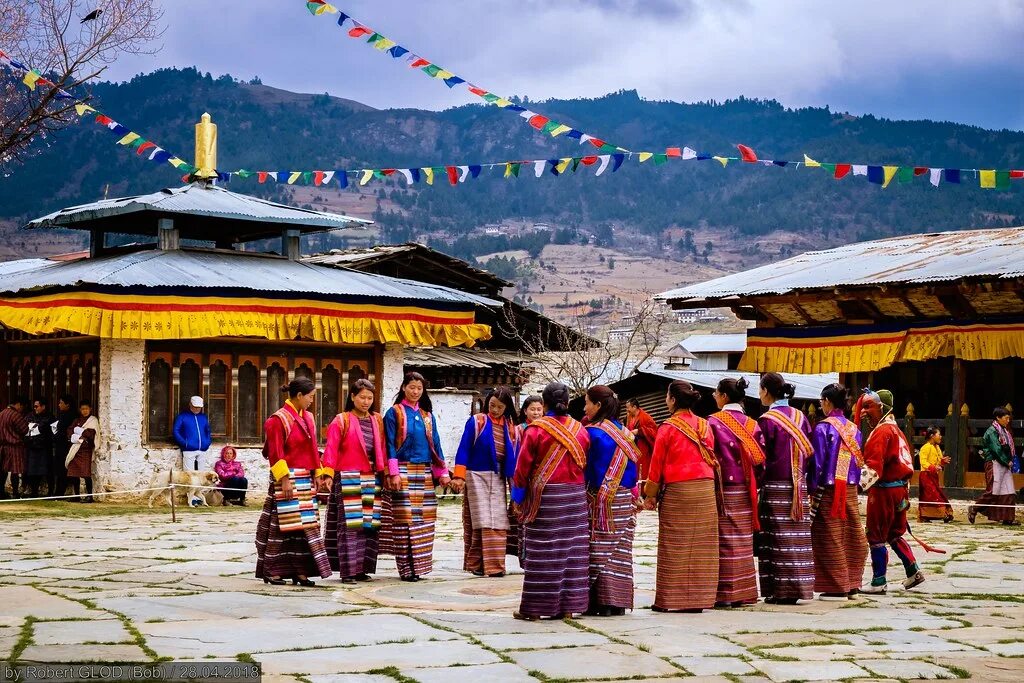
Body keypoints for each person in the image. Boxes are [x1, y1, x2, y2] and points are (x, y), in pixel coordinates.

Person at [511, 381, 590, 620]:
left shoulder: (535, 430)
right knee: (571, 550)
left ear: (544, 404)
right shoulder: (580, 430)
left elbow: (522, 468)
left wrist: (517, 498)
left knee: (543, 551)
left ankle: (535, 609)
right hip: (574, 497)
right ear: (567, 403)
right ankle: (567, 607)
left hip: (547, 498)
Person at [643, 380, 719, 613]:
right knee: (702, 546)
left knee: (674, 544)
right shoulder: (705, 426)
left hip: (679, 491)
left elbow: (656, 465)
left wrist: (650, 495)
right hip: (705, 490)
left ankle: (671, 600)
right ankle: (700, 600)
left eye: (667, 396)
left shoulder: (667, 427)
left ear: (673, 400)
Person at [255, 378, 332, 587]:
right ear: (299, 396)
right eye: (310, 396)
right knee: (281, 527)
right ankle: (272, 570)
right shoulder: (277, 420)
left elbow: (312, 448)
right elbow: (275, 452)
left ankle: (300, 571)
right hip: (286, 479)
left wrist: (318, 473)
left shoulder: (308, 418)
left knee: (305, 527)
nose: (311, 401)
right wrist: (285, 480)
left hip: (305, 480)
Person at [380, 372, 451, 582]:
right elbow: (389, 444)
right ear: (403, 388)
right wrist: (392, 472)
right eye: (411, 387)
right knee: (404, 521)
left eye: (419, 388)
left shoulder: (427, 416)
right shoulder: (394, 413)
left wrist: (443, 473)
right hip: (402, 470)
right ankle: (405, 569)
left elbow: (436, 444)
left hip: (425, 471)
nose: (415, 391)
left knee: (424, 521)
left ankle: (419, 567)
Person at [858, 388, 925, 594]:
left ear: (882, 408)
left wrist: (853, 483)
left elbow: (874, 468)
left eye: (868, 407)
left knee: (876, 534)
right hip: (900, 490)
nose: (863, 412)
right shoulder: (896, 430)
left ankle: (879, 580)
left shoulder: (882, 432)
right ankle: (913, 570)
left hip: (884, 492)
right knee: (895, 533)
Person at [756, 373, 815, 604]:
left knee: (777, 538)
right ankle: (801, 588)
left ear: (767, 391)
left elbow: (762, 457)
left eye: (760, 390)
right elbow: (809, 453)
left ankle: (780, 591)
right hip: (799, 487)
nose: (759, 394)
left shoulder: (767, 420)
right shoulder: (801, 417)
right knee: (797, 538)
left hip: (776, 486)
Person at [320, 379, 386, 583]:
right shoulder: (341, 420)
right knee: (350, 525)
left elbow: (382, 446)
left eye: (370, 398)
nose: (366, 402)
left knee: (369, 525)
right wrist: (328, 474)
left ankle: (362, 569)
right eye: (362, 397)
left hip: (372, 476)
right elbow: (331, 448)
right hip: (348, 476)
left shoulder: (377, 420)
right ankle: (348, 571)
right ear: (353, 397)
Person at [708, 377, 764, 608]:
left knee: (724, 540)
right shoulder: (753, 424)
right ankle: (744, 591)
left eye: (716, 393)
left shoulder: (713, 422)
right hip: (747, 489)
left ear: (724, 397)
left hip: (723, 489)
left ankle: (725, 593)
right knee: (743, 540)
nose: (713, 396)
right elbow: (760, 461)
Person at [583, 385, 640, 616]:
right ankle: (618, 602)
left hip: (600, 498)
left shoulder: (592, 433)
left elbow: (586, 469)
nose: (585, 407)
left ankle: (600, 601)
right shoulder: (626, 433)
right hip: (625, 497)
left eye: (587, 402)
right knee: (620, 551)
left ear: (598, 406)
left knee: (598, 548)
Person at [809, 383, 868, 600]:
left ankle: (836, 586)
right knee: (852, 535)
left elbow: (817, 462)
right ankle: (852, 583)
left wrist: (812, 487)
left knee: (829, 536)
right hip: (850, 489)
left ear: (826, 401)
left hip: (829, 490)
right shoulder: (854, 429)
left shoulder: (823, 428)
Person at [453, 386, 518, 578]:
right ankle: (479, 564)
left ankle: (496, 565)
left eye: (499, 407)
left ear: (507, 407)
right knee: (481, 520)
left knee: (499, 520)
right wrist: (459, 475)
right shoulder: (477, 422)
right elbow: (464, 448)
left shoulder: (511, 427)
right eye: (492, 405)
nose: (495, 410)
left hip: (498, 477)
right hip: (475, 475)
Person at [969, 407, 1018, 526]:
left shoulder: (1004, 431)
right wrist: (1007, 461)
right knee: (993, 490)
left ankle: (1007, 517)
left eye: (1008, 418)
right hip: (995, 462)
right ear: (998, 418)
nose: (1008, 421)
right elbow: (997, 449)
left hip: (1004, 463)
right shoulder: (992, 431)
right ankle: (975, 508)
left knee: (1009, 491)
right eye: (1006, 418)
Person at [917, 427, 954, 523]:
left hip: (933, 476)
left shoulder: (937, 448)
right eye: (939, 434)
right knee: (933, 495)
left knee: (934, 494)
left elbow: (939, 462)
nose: (940, 437)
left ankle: (929, 515)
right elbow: (923, 462)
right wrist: (933, 467)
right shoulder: (925, 448)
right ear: (932, 436)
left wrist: (942, 461)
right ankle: (942, 514)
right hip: (926, 475)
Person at [66, 400, 99, 503]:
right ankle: (76, 495)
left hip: (85, 449)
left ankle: (90, 496)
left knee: (85, 474)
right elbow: (69, 431)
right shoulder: (77, 420)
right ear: (80, 410)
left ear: (90, 409)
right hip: (76, 448)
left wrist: (78, 430)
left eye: (86, 409)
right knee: (74, 474)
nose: (84, 411)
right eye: (82, 409)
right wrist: (79, 434)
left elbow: (91, 434)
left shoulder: (93, 421)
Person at [25, 398, 55, 498]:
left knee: (47, 470)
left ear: (43, 407)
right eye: (34, 406)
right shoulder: (30, 415)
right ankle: (34, 492)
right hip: (32, 446)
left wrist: (35, 428)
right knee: (33, 471)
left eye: (37, 406)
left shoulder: (50, 417)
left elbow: (44, 428)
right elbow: (26, 427)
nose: (35, 408)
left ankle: (50, 492)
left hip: (44, 447)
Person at [173, 396, 213, 471]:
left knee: (202, 475)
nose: (197, 409)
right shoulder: (182, 416)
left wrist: (207, 442)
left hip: (203, 449)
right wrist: (185, 443)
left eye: (199, 407)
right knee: (188, 475)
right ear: (190, 404)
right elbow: (176, 430)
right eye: (195, 406)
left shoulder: (203, 417)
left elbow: (208, 430)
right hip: (188, 449)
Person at [0, 397, 28, 499]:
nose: (22, 409)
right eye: (22, 407)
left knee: (3, 470)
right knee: (15, 471)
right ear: (18, 404)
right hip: (15, 446)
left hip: (3, 446)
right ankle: (15, 492)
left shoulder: (2, 413)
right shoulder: (15, 415)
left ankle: (1, 491)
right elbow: (24, 429)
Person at [50, 395, 77, 497]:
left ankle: (59, 492)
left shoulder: (68, 416)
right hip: (61, 445)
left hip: (64, 446)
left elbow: (62, 431)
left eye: (61, 403)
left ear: (67, 405)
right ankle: (59, 491)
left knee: (62, 469)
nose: (59, 405)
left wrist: (54, 437)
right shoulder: (63, 415)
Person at [625, 398, 658, 481]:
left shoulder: (645, 417)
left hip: (644, 449)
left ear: (634, 407)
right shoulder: (628, 417)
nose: (627, 410)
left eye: (628, 407)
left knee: (643, 471)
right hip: (633, 449)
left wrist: (639, 431)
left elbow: (654, 431)